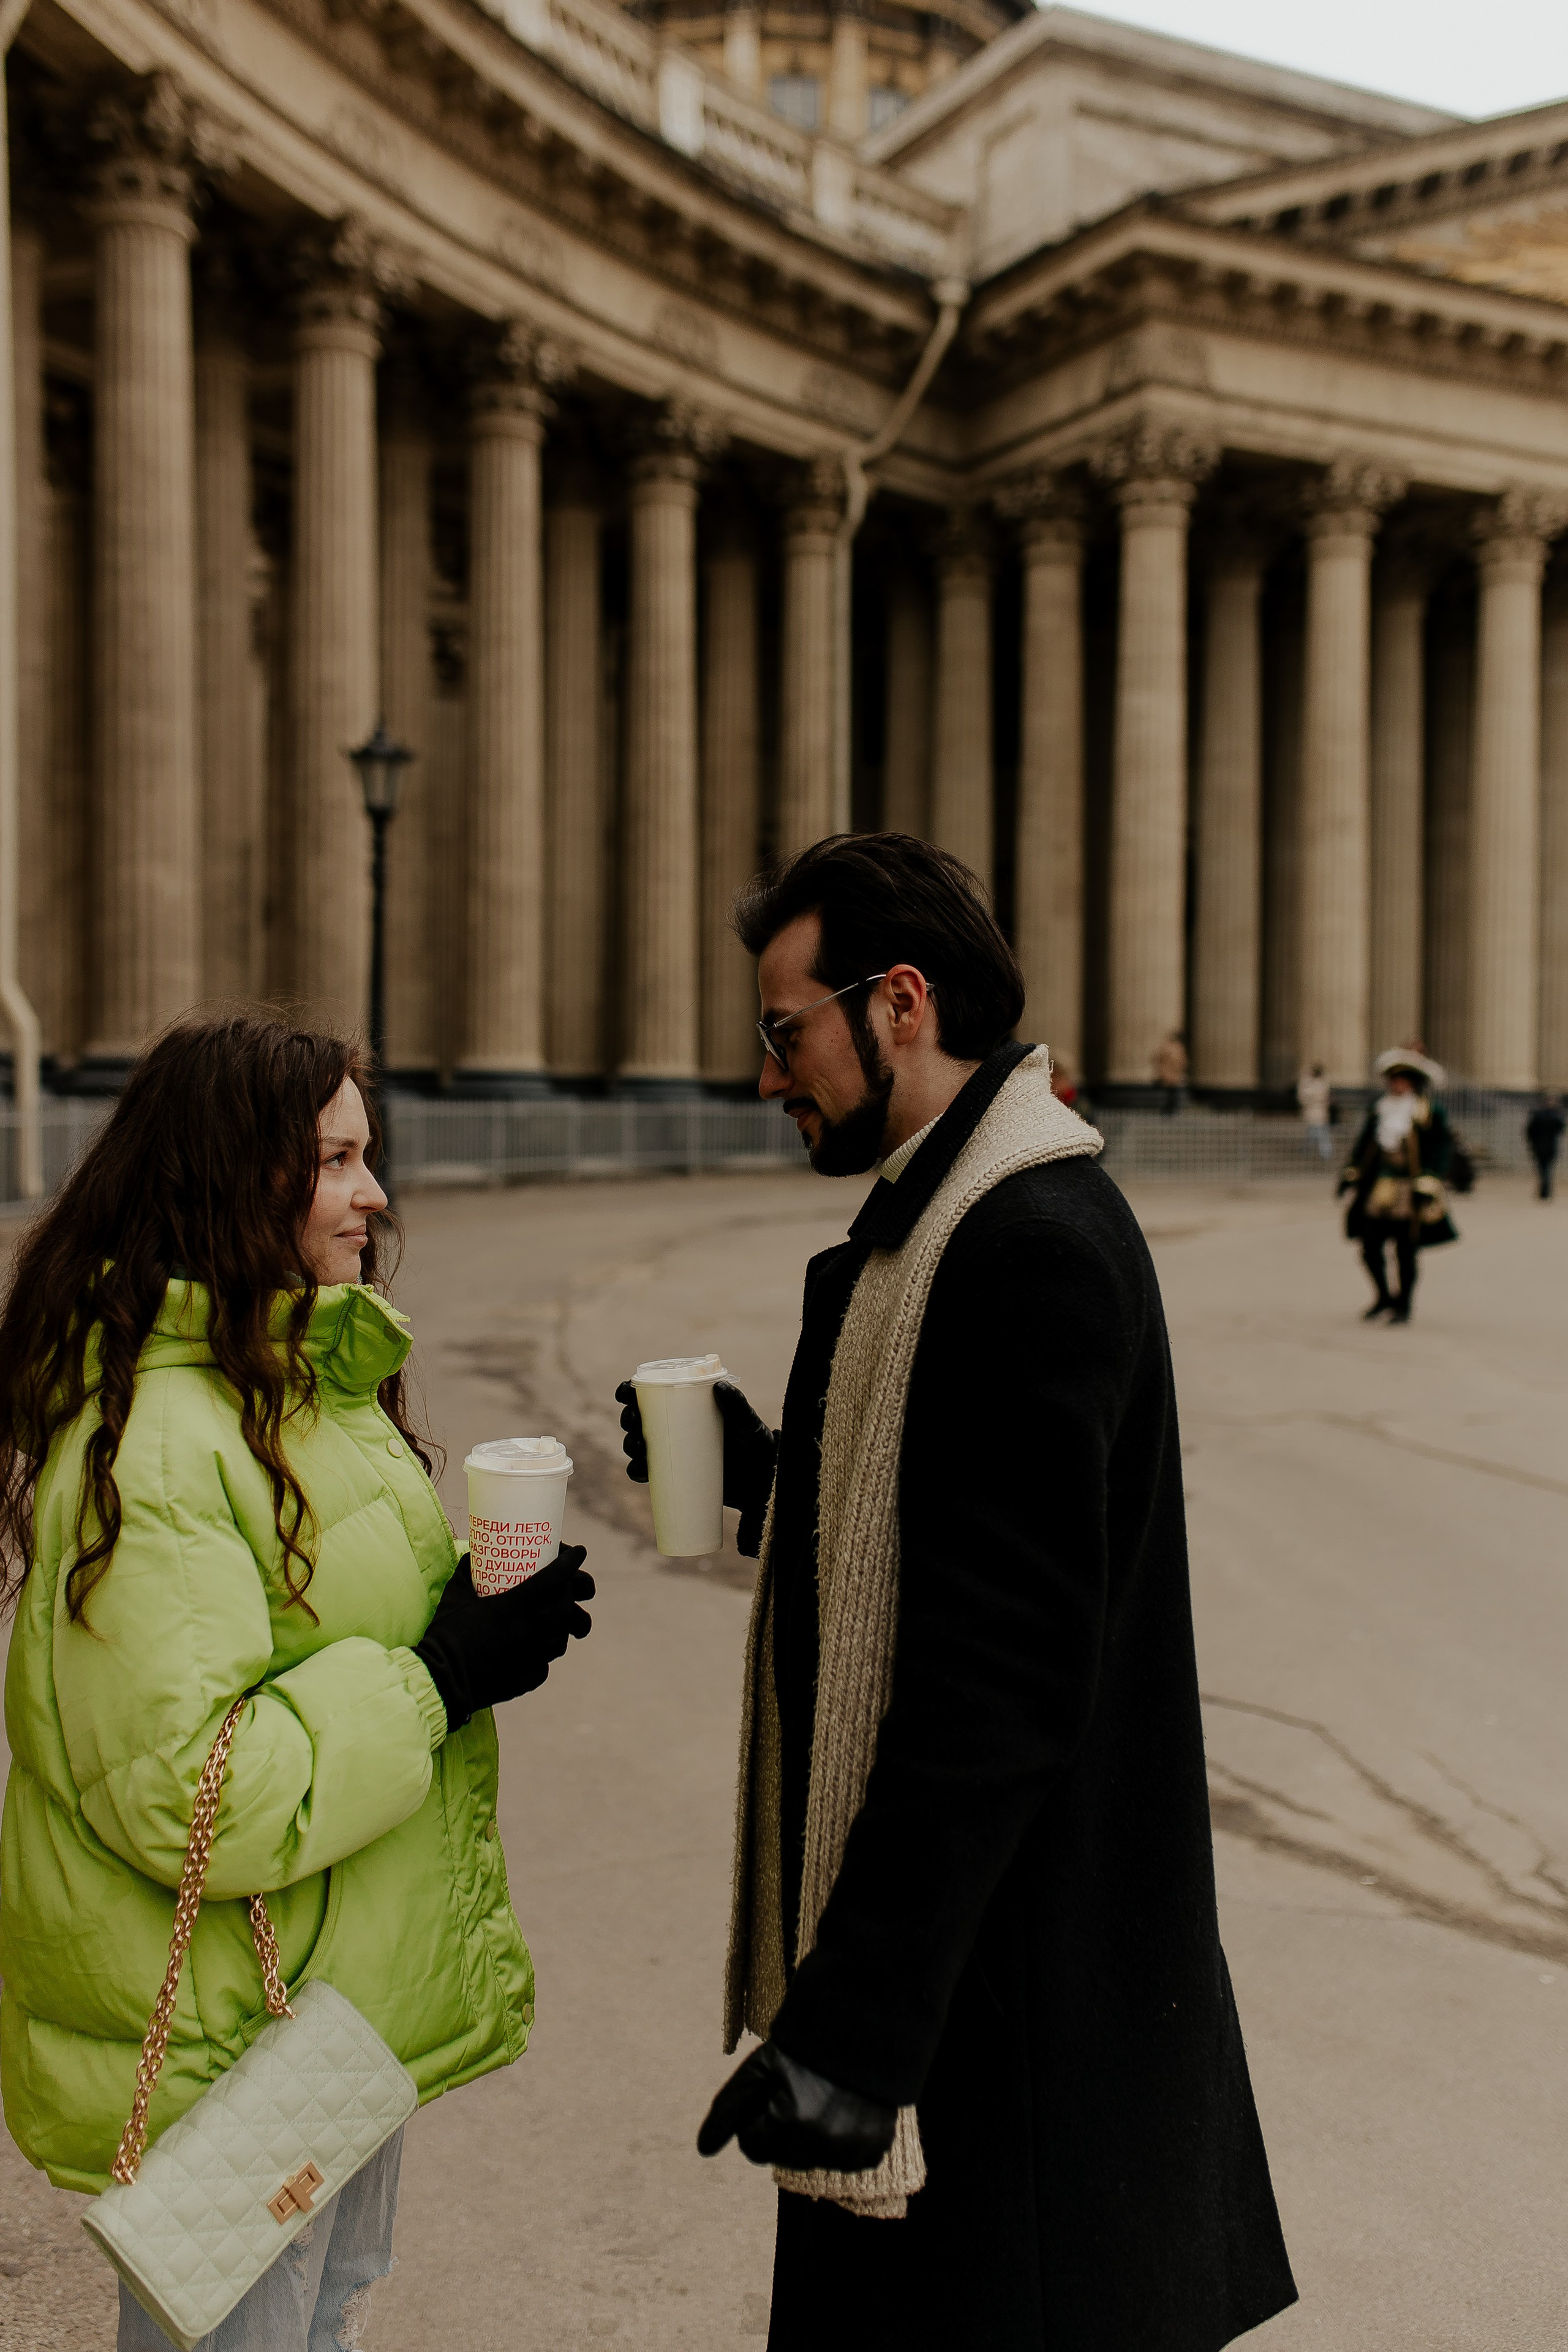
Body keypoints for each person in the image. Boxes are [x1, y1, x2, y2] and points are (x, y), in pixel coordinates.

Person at [616, 835, 1295, 2352]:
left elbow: (991, 1685)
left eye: (783, 1029)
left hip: (1002, 2039)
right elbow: (943, 1521)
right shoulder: (948, 1219)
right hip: (986, 2003)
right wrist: (773, 1477)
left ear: (898, 1002)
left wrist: (851, 2032)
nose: (768, 1073)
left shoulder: (1022, 1246)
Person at [0, 1014, 594, 2352]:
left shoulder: (296, 1385)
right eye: (334, 1161)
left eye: (364, 1155)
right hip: (234, 2044)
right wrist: (441, 1677)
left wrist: (478, 1630)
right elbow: (193, 1792)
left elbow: (330, 1644)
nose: (374, 1194)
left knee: (325, 2324)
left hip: (327, 2017)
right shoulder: (158, 1441)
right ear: (227, 1178)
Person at [1339, 1046, 1458, 1324]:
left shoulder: (1429, 1112)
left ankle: (1404, 1304)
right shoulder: (1380, 1109)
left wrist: (1431, 1178)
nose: (1397, 1084)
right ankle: (1383, 1297)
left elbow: (1442, 1147)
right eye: (1394, 1079)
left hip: (1409, 1189)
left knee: (1406, 1250)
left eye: (1403, 1079)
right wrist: (1352, 1171)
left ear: (1414, 1083)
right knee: (1369, 1245)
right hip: (1379, 1186)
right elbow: (1365, 1145)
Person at [1526, 1092, 1566, 1200]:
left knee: (1542, 1169)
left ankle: (1544, 1189)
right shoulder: (1555, 1116)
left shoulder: (1538, 1115)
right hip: (1550, 1146)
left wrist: (1531, 1143)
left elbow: (1530, 1131)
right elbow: (1561, 1129)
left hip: (1539, 1146)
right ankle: (1546, 1189)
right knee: (1547, 1169)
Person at [1297, 1062, 1333, 1161]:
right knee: (1314, 1133)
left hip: (1320, 1113)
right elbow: (1303, 1097)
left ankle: (1325, 1153)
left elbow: (1325, 1093)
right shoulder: (1307, 1084)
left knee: (1320, 1133)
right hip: (1312, 1113)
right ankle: (1311, 1152)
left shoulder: (1320, 1083)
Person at [1153, 1028, 1188, 1115]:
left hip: (1172, 1074)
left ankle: (1170, 1109)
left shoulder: (1174, 1047)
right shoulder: (1175, 1047)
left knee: (1171, 1093)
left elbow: (1181, 1061)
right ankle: (1169, 1109)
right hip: (1171, 1074)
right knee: (1170, 1093)